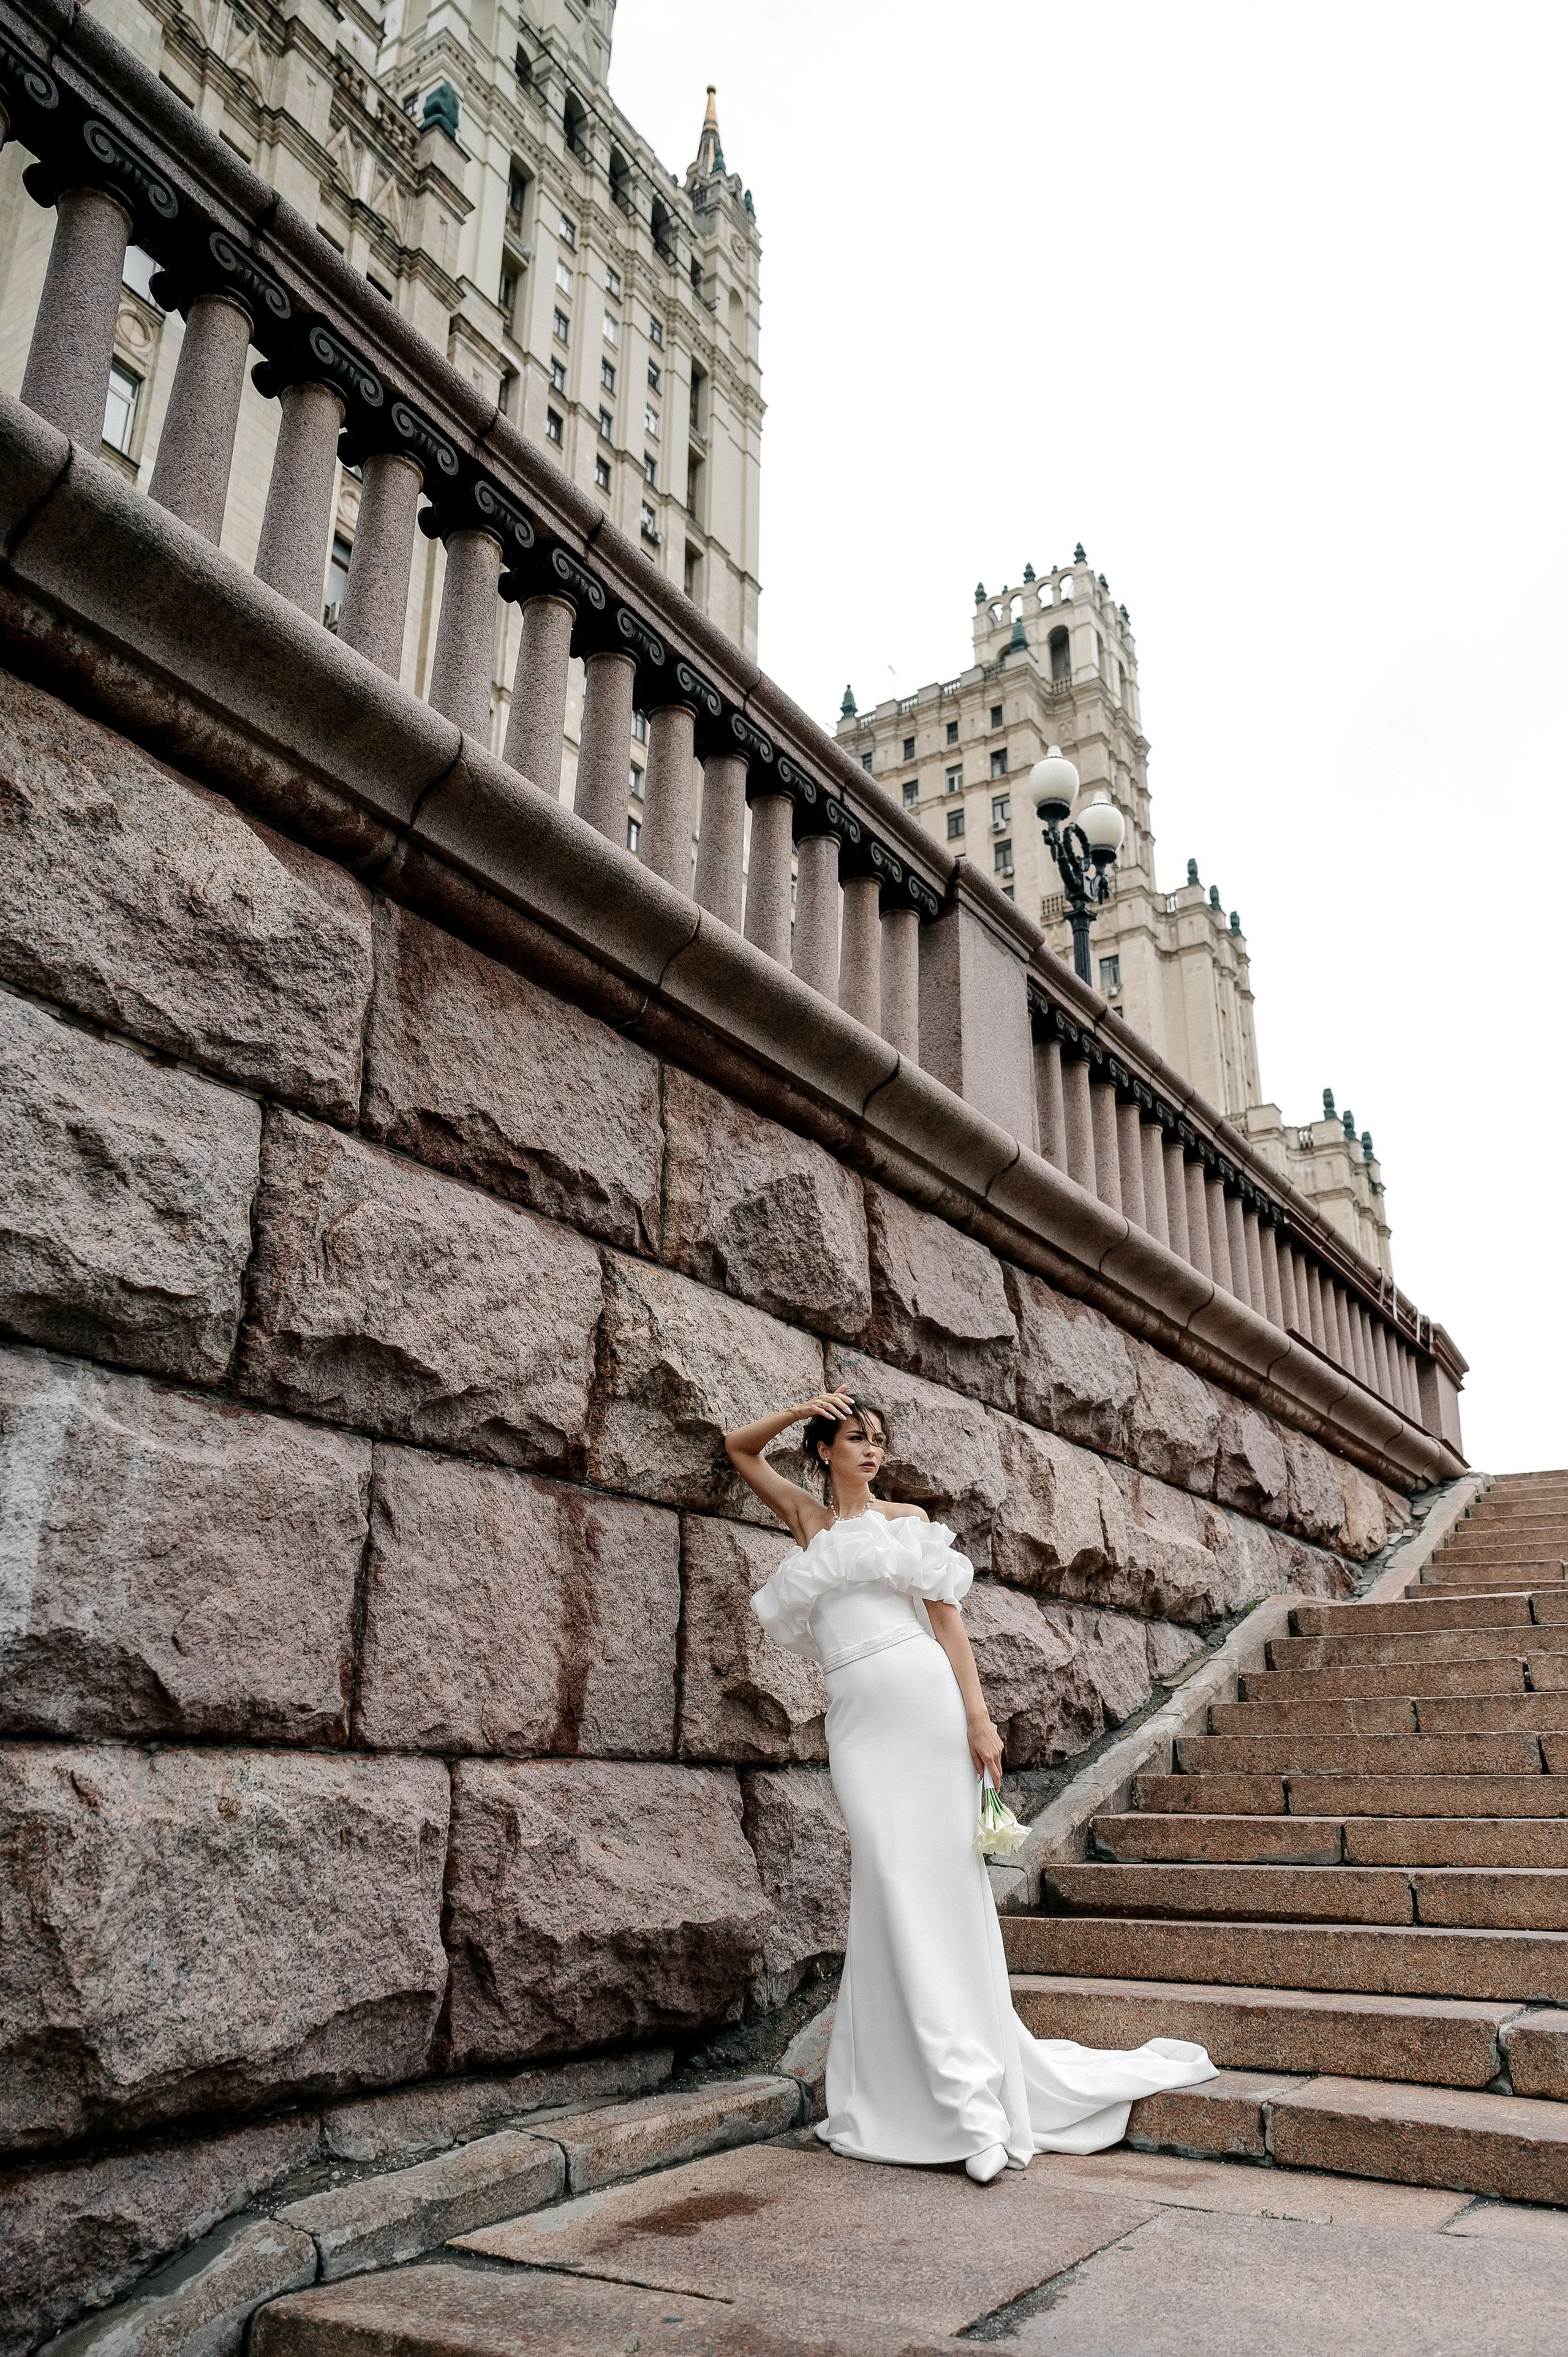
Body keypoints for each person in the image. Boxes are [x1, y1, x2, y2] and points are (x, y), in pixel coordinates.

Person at [725, 1385, 1216, 2183]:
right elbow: (738, 1449)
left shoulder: (908, 1524)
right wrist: (795, 1410)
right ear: (823, 1450)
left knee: (936, 1891)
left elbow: (948, 1625)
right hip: (858, 1728)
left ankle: (971, 2104)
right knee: (885, 1882)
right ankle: (892, 2090)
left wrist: (980, 1723)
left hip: (923, 1710)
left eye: (878, 1438)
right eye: (854, 1437)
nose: (871, 1449)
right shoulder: (810, 1524)